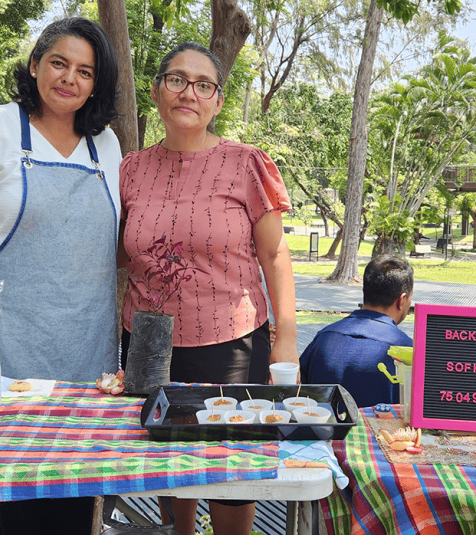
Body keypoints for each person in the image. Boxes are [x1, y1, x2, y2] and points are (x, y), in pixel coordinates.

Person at [0, 17, 121, 535]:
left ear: (96, 84)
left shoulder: (108, 147)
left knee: (75, 507)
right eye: (59, 63)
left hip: (87, 362)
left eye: (85, 71)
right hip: (3, 359)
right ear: (35, 64)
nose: (69, 79)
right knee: (12, 507)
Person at [118, 42, 297, 535]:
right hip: (147, 343)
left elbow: (275, 255)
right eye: (176, 80)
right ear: (156, 92)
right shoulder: (130, 169)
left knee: (228, 468)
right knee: (165, 459)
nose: (188, 93)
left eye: (203, 85)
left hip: (231, 343)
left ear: (218, 101)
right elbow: (120, 255)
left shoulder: (246, 164)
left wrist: (286, 339)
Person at [299, 256, 414, 408]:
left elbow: (298, 394)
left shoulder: (323, 338)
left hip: (321, 430)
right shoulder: (407, 351)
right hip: (383, 432)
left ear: (364, 291)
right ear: (401, 300)